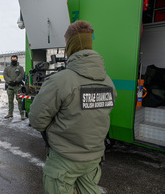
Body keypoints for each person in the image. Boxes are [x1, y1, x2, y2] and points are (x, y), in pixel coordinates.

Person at [29, 20, 117, 194]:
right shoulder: (108, 82)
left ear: (70, 46)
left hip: (64, 160)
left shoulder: (60, 81)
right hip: (93, 158)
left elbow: (37, 120)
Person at [3, 55, 25, 120]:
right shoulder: (7, 68)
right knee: (10, 100)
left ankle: (22, 114)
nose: (13, 61)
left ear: (17, 60)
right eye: (12, 59)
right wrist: (9, 81)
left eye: (15, 59)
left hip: (17, 86)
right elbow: (5, 75)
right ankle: (10, 114)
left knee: (19, 100)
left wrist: (16, 81)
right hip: (10, 86)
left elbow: (21, 75)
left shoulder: (20, 68)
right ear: (11, 60)